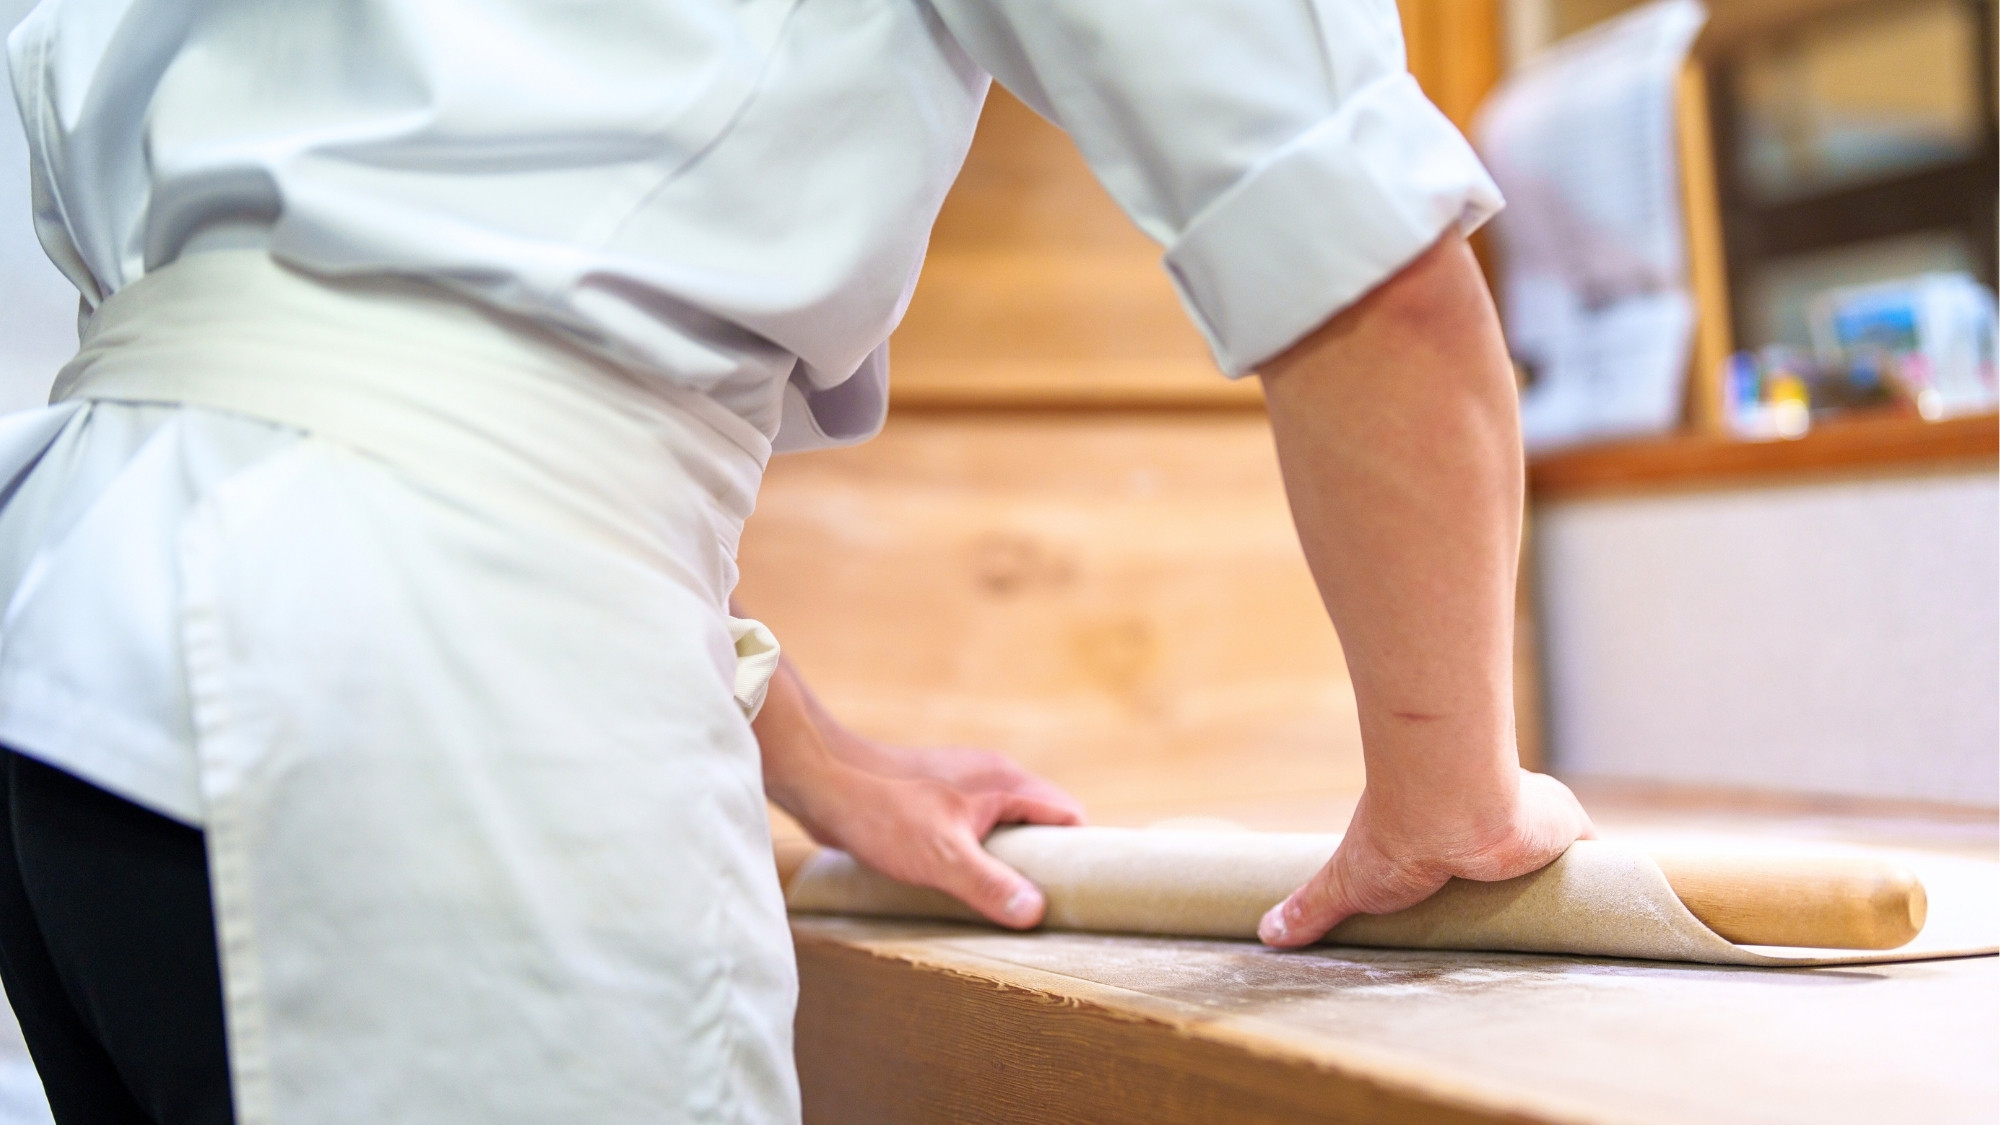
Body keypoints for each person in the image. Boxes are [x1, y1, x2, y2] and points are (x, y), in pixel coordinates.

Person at [0, 0, 1593, 1121]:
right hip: (406, 709)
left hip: (79, 655)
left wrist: (809, 752)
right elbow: (1369, 269)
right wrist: (1450, 793)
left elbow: (350, 338)